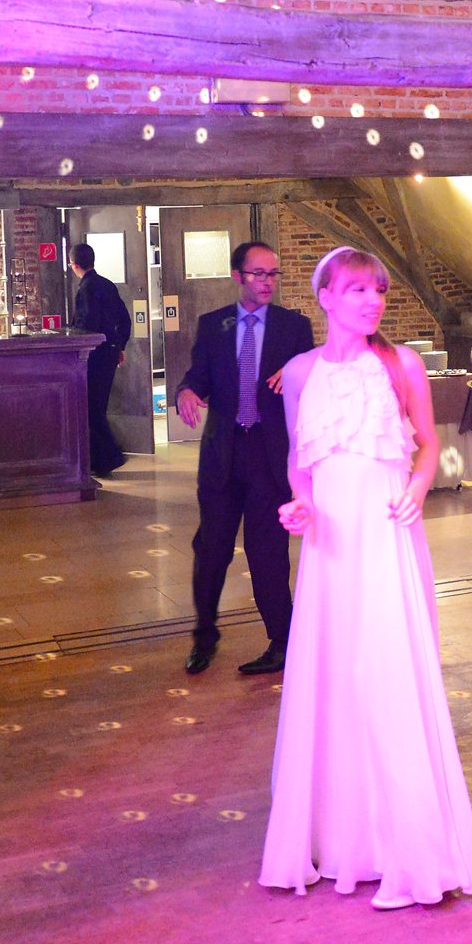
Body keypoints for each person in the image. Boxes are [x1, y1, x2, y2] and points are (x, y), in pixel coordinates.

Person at [261, 245, 472, 909]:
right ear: (326, 296)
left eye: (379, 291)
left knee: (388, 672)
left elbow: (426, 443)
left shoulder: (402, 363)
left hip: (389, 531)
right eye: (358, 289)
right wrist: (299, 503)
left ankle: (409, 848)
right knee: (335, 676)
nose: (371, 301)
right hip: (331, 542)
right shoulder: (301, 372)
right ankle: (342, 841)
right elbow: (299, 460)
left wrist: (420, 488)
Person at [174, 242, 314, 676]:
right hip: (223, 454)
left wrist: (295, 375)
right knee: (212, 549)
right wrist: (185, 391)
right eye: (258, 274)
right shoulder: (213, 324)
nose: (267, 282)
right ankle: (205, 635)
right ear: (238, 276)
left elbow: (313, 381)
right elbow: (198, 375)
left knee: (268, 553)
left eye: (273, 274)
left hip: (270, 456)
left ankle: (282, 641)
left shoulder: (295, 327)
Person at [69, 243, 132, 478]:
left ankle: (109, 457)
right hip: (109, 351)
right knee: (98, 405)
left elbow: (87, 324)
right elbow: (124, 319)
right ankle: (103, 459)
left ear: (74, 265)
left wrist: (74, 341)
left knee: (91, 407)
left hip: (93, 354)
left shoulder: (85, 288)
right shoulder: (107, 284)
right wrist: (118, 345)